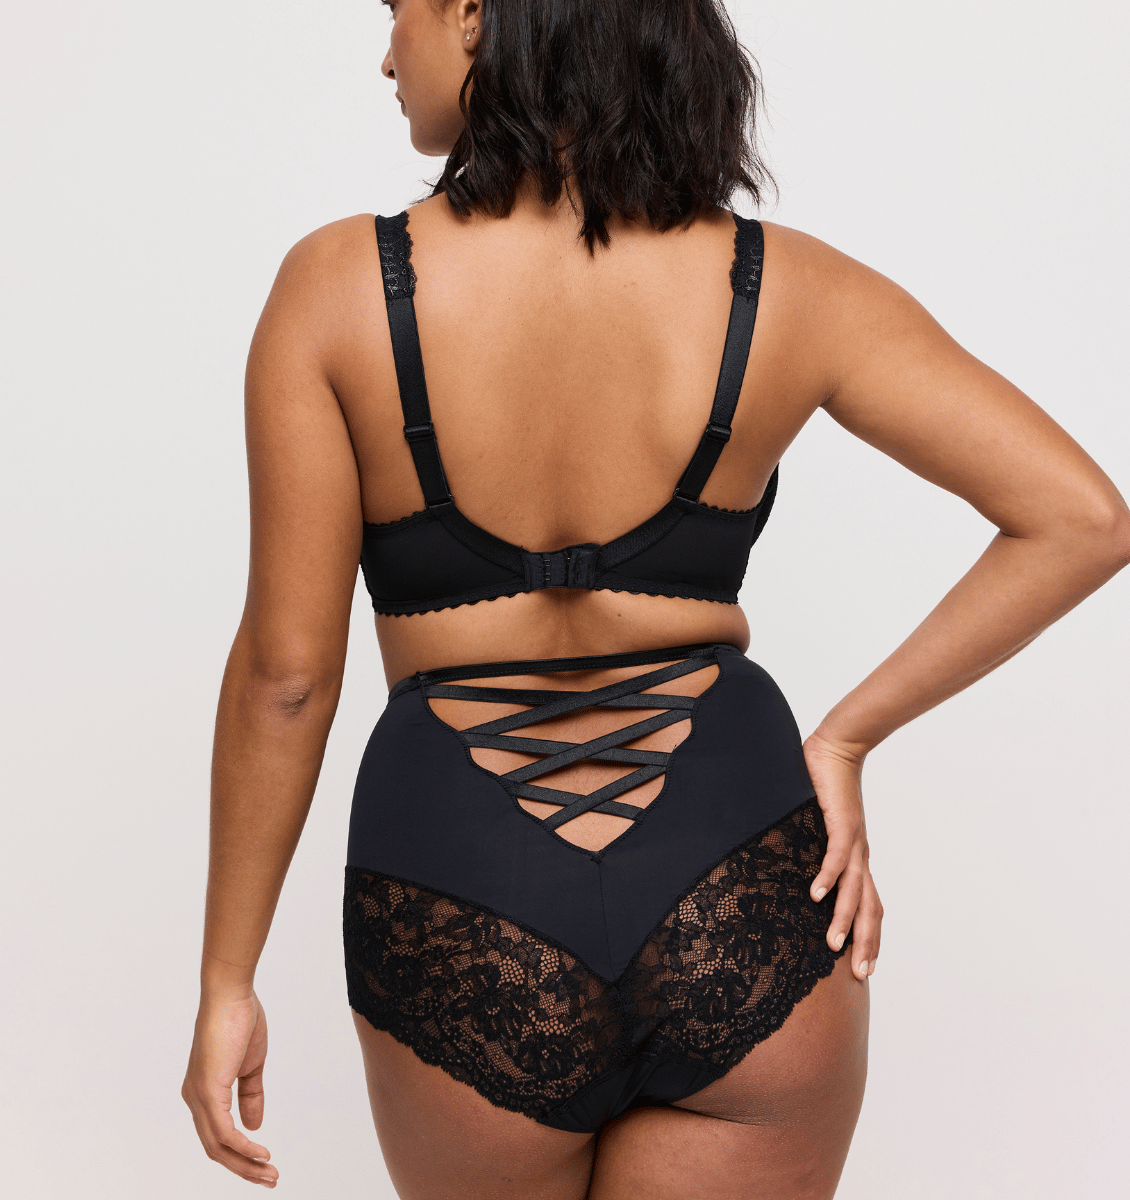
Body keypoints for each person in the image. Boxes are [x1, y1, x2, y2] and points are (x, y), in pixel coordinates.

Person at [181, 1, 1130, 1195]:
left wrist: (227, 980)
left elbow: (287, 677)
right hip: (732, 861)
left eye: (395, 9)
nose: (385, 53)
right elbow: (1082, 519)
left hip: (467, 877)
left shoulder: (335, 290)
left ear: (473, 14)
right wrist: (843, 740)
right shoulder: (784, 286)